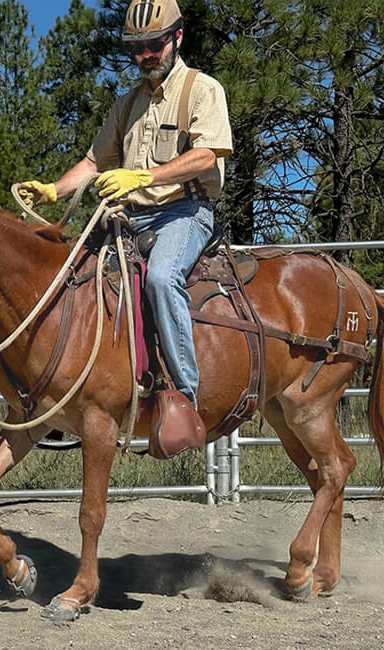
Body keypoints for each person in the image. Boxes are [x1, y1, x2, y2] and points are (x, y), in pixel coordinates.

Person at [17, 0, 232, 416]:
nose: (145, 55)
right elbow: (94, 162)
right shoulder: (127, 104)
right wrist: (52, 190)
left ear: (177, 38)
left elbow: (207, 156)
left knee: (161, 279)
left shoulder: (201, 90)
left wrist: (143, 177)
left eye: (154, 44)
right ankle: (75, 393)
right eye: (137, 48)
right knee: (74, 276)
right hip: (132, 219)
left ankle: (185, 397)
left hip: (184, 213)